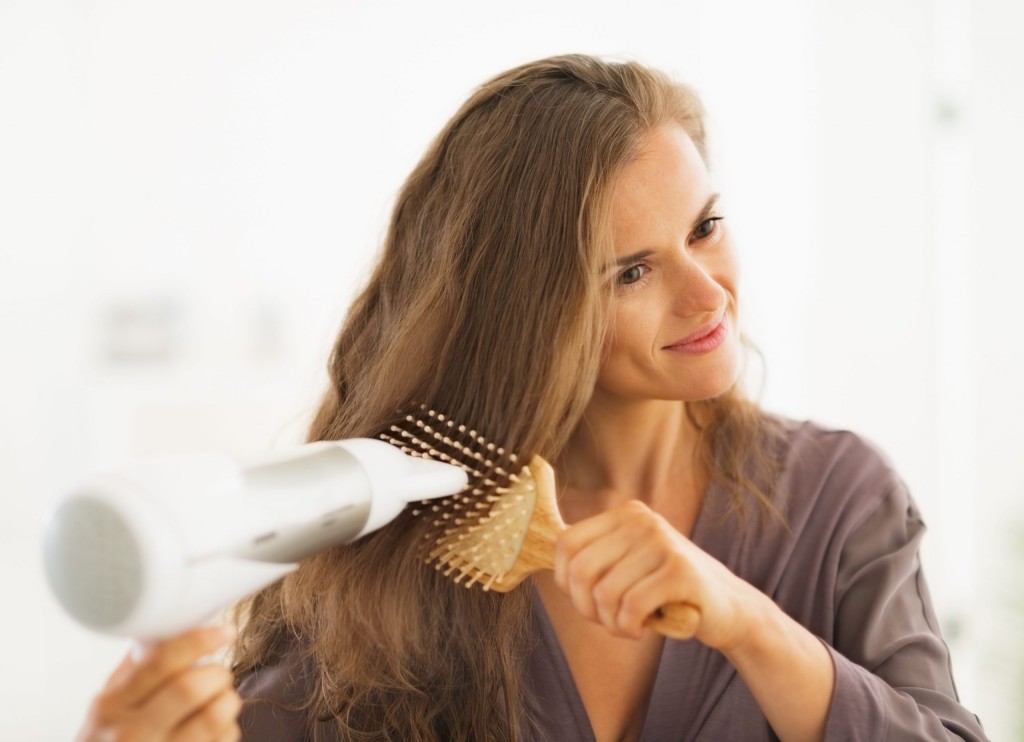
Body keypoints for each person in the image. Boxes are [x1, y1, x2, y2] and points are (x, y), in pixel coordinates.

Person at [76, 54, 987, 742]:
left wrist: (747, 622)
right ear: (530, 312)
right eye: (631, 272)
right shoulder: (415, 527)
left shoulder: (838, 499)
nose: (707, 295)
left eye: (704, 228)